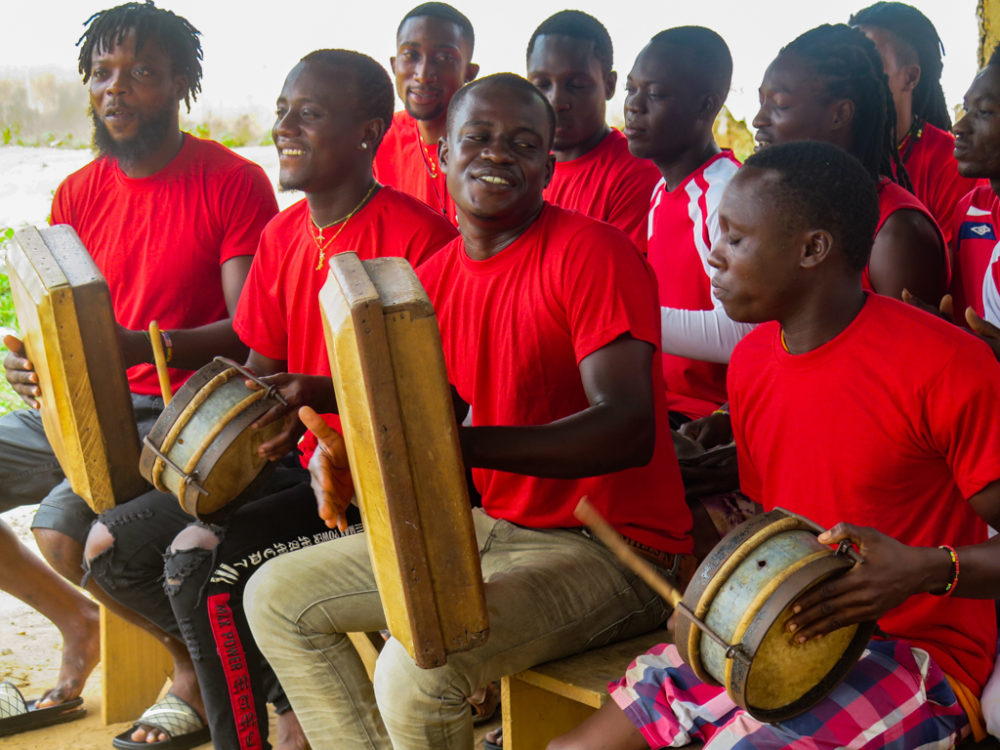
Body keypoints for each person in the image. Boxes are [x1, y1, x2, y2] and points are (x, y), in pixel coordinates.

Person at [245, 73, 694, 750]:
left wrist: (458, 446)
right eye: (477, 139)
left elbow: (627, 428)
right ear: (444, 155)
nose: (496, 155)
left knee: (417, 671)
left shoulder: (593, 252)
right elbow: (419, 407)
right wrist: (319, 394)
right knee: (275, 597)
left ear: (548, 161)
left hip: (617, 553)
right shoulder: (435, 277)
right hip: (494, 529)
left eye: (522, 143)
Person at [550, 139, 1000, 750]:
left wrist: (926, 569)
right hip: (773, 633)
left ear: (813, 248)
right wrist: (713, 604)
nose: (713, 257)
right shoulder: (753, 360)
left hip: (917, 658)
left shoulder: (948, 365)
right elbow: (774, 532)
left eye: (735, 239)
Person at [82, 49, 457, 750]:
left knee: (200, 563)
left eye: (309, 114)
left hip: (377, 485)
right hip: (297, 468)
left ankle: (257, 733)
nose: (285, 125)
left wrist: (314, 402)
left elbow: (434, 408)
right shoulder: (284, 235)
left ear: (370, 131)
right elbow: (261, 371)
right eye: (283, 110)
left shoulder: (419, 242)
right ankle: (281, 693)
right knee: (109, 545)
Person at [0, 1, 276, 740]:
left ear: (182, 83)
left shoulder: (234, 181)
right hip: (84, 405)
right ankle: (77, 623)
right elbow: (54, 320)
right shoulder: (77, 193)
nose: (115, 89)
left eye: (143, 73)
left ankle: (187, 669)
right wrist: (30, 363)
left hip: (180, 411)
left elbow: (251, 334)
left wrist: (130, 346)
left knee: (64, 538)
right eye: (102, 73)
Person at [754, 23, 947, 302]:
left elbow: (910, 345)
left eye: (780, 105)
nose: (758, 120)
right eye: (760, 102)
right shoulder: (781, 206)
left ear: (840, 114)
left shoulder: (896, 235)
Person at [623, 27, 749, 424]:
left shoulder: (725, 194)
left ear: (704, 106)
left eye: (655, 94)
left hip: (713, 419)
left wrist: (623, 317)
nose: (633, 106)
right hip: (664, 403)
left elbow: (741, 335)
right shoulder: (662, 189)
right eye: (630, 89)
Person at [525, 10, 660, 252]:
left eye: (576, 85)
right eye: (542, 85)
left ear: (609, 85)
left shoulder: (635, 176)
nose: (556, 101)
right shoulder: (517, 166)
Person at [850, 1, 980, 247]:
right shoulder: (828, 152)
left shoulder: (952, 167)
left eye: (869, 61)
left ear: (910, 77)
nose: (851, 73)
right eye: (847, 59)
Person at [373, 2, 478, 224]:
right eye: (410, 55)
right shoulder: (377, 138)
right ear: (394, 65)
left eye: (444, 58)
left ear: (470, 72)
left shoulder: (490, 146)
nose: (423, 74)